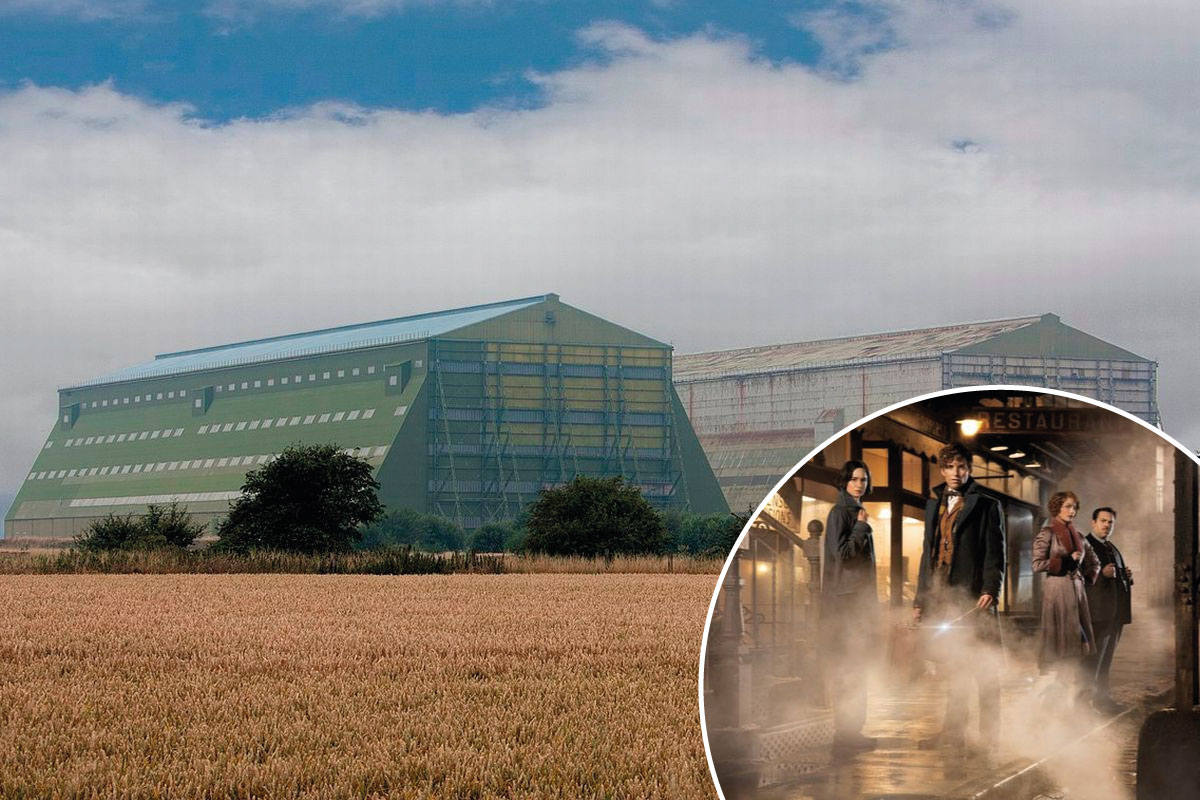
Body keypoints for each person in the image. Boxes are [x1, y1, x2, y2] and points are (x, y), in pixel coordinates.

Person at [914, 442, 1006, 753]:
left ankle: (989, 737)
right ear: (942, 469)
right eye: (950, 467)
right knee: (954, 668)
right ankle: (953, 734)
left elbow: (996, 555)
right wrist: (920, 599)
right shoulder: (934, 503)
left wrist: (991, 590)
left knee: (984, 670)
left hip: (973, 599)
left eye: (962, 467)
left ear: (969, 469)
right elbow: (928, 554)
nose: (956, 473)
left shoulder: (987, 505)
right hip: (942, 596)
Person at [821, 459, 878, 752]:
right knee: (848, 670)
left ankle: (853, 732)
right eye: (855, 479)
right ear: (844, 482)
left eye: (864, 479)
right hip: (845, 607)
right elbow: (841, 555)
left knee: (858, 669)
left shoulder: (855, 511)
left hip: (857, 605)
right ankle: (844, 735)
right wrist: (861, 527)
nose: (860, 484)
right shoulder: (841, 513)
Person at [1032, 491, 1100, 706]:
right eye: (1068, 506)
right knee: (1061, 648)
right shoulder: (1048, 533)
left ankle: (1069, 699)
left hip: (1077, 594)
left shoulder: (1079, 536)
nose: (1072, 511)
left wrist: (1086, 577)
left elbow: (1094, 562)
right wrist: (1066, 563)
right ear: (1057, 508)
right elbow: (1036, 564)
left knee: (1076, 649)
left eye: (1075, 507)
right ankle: (1053, 700)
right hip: (1057, 592)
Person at [1084, 506, 1133, 713]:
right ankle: (1084, 706)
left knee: (1105, 662)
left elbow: (1117, 577)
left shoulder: (1111, 547)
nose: (1107, 525)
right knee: (1091, 663)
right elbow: (1078, 579)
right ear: (1093, 522)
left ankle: (1103, 700)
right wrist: (1101, 575)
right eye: (1103, 521)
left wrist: (1126, 576)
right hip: (1098, 614)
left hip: (1115, 614)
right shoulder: (1086, 546)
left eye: (1110, 522)